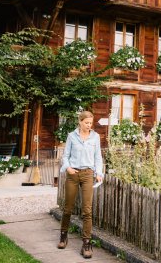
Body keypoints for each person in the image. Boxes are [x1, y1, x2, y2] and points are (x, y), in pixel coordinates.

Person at [58, 110, 104, 259]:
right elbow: (66, 156)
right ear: (80, 122)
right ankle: (63, 236)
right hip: (73, 174)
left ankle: (86, 243)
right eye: (86, 123)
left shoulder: (95, 137)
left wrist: (99, 173)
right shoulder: (72, 136)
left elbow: (98, 157)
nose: (89, 125)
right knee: (68, 208)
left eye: (91, 123)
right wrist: (68, 168)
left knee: (87, 210)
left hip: (87, 175)